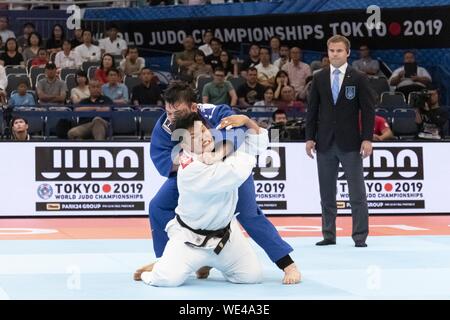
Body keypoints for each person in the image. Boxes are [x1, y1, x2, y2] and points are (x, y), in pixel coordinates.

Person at [134, 81, 300, 285]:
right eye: (168, 112)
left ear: (194, 107)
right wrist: (192, 161)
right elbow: (161, 158)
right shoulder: (165, 126)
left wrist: (217, 153)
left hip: (229, 169)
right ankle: (165, 260)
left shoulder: (215, 112)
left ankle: (287, 263)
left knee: (248, 213)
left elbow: (238, 132)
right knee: (158, 206)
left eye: (177, 112)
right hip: (194, 174)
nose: (171, 117)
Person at [140, 113, 268, 287]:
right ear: (182, 144)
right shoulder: (188, 167)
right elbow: (236, 172)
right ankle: (157, 269)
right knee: (165, 280)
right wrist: (230, 148)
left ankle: (210, 263)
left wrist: (246, 121)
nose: (202, 138)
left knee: (252, 277)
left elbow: (259, 142)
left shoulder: (220, 149)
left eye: (203, 130)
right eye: (193, 136)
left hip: (226, 238)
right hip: (189, 240)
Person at [305, 35, 375, 248]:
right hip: (324, 142)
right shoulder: (319, 77)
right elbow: (312, 111)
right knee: (326, 193)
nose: (335, 54)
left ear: (347, 53)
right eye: (332, 51)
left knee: (357, 193)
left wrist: (367, 139)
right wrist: (309, 137)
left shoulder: (359, 77)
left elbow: (368, 111)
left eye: (339, 51)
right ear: (328, 52)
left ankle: (360, 236)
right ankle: (329, 234)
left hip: (351, 143)